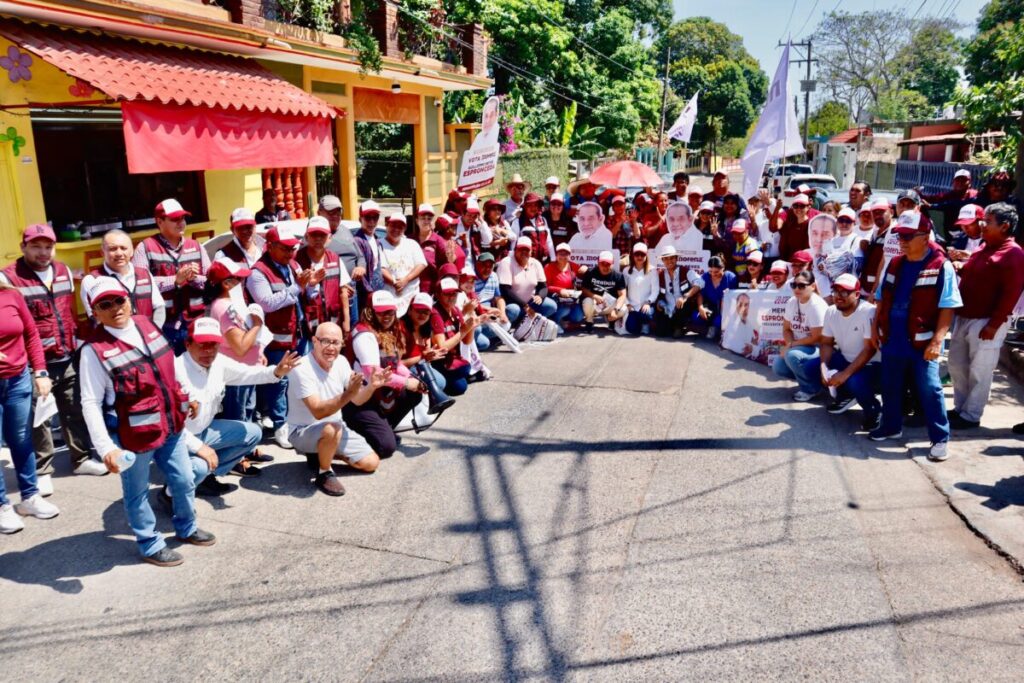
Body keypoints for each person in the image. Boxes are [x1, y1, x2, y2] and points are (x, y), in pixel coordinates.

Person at [79, 276, 210, 566]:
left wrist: (186, 396)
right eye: (105, 304)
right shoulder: (93, 351)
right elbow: (89, 402)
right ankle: (150, 543)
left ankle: (186, 527)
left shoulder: (146, 323)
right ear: (95, 312)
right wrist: (105, 449)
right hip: (132, 436)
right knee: (136, 492)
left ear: (129, 299)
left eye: (119, 300)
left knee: (184, 478)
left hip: (171, 425)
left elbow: (170, 364)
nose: (115, 308)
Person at [1, 224, 103, 492]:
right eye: (36, 246)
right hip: (34, 361)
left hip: (66, 353)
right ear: (23, 247)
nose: (43, 252)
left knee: (74, 408)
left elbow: (68, 311)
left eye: (48, 246)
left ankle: (81, 459)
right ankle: (42, 468)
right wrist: (35, 367)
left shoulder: (63, 271)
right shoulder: (9, 277)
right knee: (38, 418)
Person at [870, 211, 962, 461]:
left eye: (909, 236)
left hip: (923, 343)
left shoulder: (942, 266)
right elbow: (880, 299)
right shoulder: (895, 262)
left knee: (930, 389)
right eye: (901, 235)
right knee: (890, 386)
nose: (903, 240)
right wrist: (874, 329)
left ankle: (940, 439)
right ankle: (891, 427)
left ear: (925, 236)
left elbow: (948, 306)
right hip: (892, 338)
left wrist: (936, 341)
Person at [175, 318, 300, 495]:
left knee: (253, 433)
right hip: (179, 440)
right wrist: (198, 447)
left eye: (213, 344)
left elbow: (247, 373)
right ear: (188, 344)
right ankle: (172, 491)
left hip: (204, 431)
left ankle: (205, 476)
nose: (209, 350)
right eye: (202, 344)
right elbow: (169, 429)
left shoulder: (218, 361)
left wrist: (276, 371)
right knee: (199, 466)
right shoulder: (174, 370)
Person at [948, 203, 1024, 429]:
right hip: (964, 316)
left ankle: (971, 415)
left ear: (1004, 226)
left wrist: (994, 324)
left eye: (988, 222)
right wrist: (959, 266)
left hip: (986, 321)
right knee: (957, 364)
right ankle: (960, 408)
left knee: (979, 370)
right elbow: (975, 272)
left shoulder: (1013, 253)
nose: (982, 225)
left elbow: (1011, 293)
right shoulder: (984, 247)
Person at [286, 322, 383, 497]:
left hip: (335, 429)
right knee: (331, 428)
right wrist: (348, 394)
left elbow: (358, 400)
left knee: (371, 463)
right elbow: (318, 411)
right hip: (303, 431)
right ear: (314, 341)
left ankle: (320, 453)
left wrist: (371, 387)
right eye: (325, 341)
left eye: (336, 342)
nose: (331, 348)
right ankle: (324, 472)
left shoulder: (342, 361)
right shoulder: (301, 368)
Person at [249, 224, 323, 449]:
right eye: (285, 248)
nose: (291, 253)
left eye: (292, 248)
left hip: (298, 333)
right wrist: (296, 288)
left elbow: (306, 295)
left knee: (300, 379)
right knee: (278, 382)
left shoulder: (293, 264)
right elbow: (267, 304)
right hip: (276, 338)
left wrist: (312, 285)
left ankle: (297, 421)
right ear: (270, 246)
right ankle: (281, 426)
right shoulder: (257, 273)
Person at [0, 276, 58, 534]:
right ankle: (2, 506)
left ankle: (29, 497)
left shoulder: (11, 295)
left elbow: (31, 334)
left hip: (18, 379)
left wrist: (40, 372)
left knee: (21, 439)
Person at [348, 291, 428, 458]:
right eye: (381, 312)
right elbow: (373, 373)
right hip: (360, 398)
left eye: (390, 311)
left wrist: (413, 380)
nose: (387, 316)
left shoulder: (386, 331)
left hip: (377, 392)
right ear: (370, 312)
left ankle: (384, 428)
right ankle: (356, 431)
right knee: (386, 448)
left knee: (414, 393)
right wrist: (406, 383)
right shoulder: (365, 334)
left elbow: (395, 363)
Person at [132, 198, 210, 353]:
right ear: (159, 221)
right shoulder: (145, 248)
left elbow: (211, 280)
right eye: (174, 219)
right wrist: (174, 280)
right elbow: (140, 286)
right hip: (163, 325)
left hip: (196, 322)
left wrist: (195, 278)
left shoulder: (196, 246)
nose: (181, 223)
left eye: (183, 218)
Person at [204, 258, 265, 425]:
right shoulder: (224, 308)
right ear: (226, 283)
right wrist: (257, 325)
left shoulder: (233, 303)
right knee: (238, 420)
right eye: (238, 279)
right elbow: (240, 347)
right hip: (238, 374)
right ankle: (240, 451)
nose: (242, 282)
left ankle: (248, 449)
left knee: (247, 414)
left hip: (247, 370)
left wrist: (259, 354)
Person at [819, 274, 882, 427]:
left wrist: (844, 375)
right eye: (836, 291)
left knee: (853, 380)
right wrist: (823, 367)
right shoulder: (831, 311)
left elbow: (869, 350)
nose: (839, 296)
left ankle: (874, 411)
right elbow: (826, 343)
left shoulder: (868, 311)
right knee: (812, 366)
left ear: (857, 294)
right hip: (847, 358)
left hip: (874, 365)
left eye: (845, 292)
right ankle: (846, 396)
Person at [81, 230, 164, 328]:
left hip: (147, 336)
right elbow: (96, 319)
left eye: (124, 248)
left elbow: (159, 307)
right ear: (102, 252)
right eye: (113, 249)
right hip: (114, 341)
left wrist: (153, 332)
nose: (119, 253)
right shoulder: (91, 280)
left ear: (132, 251)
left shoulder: (144, 273)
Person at [772, 271, 827, 401]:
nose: (797, 289)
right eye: (794, 285)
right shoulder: (792, 302)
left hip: (820, 349)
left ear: (813, 286)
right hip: (801, 347)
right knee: (778, 366)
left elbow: (817, 337)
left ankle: (811, 389)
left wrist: (791, 346)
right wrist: (790, 344)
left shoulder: (816, 305)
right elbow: (786, 329)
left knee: (792, 356)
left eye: (802, 286)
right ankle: (814, 380)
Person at [298, 216, 351, 337]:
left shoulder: (335, 259)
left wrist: (346, 321)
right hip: (306, 327)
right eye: (314, 235)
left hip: (332, 323)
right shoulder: (296, 260)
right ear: (306, 237)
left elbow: (343, 292)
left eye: (322, 235)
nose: (318, 239)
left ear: (330, 238)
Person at [322, 194, 366, 329]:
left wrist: (361, 267)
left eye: (338, 211)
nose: (335, 215)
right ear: (319, 213)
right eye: (330, 212)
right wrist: (338, 285)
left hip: (352, 289)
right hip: (332, 293)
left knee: (352, 328)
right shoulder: (316, 236)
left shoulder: (345, 230)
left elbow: (360, 256)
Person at [431, 278, 477, 395]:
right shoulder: (435, 313)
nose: (452, 297)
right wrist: (463, 331)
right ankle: (436, 383)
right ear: (437, 294)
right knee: (461, 379)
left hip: (452, 359)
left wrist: (472, 325)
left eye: (454, 293)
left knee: (461, 383)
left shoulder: (455, 310)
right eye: (447, 294)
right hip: (439, 362)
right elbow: (442, 348)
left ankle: (444, 382)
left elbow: (467, 341)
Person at [497, 236, 557, 325]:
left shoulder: (536, 263)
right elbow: (505, 290)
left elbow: (543, 286)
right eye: (521, 249)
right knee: (513, 310)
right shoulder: (506, 262)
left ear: (531, 252)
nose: (524, 252)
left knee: (551, 306)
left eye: (527, 250)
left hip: (530, 303)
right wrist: (525, 305)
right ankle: (513, 325)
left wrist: (540, 296)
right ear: (515, 250)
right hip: (513, 303)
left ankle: (530, 323)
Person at [378, 213, 427, 318]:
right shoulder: (379, 244)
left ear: (404, 228)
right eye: (393, 225)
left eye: (400, 227)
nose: (396, 229)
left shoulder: (412, 244)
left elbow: (421, 264)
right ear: (387, 225)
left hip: (411, 298)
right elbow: (381, 269)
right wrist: (395, 282)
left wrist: (406, 280)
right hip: (389, 300)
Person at [655, 246, 702, 337]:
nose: (669, 261)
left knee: (683, 308)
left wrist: (686, 296)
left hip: (682, 307)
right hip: (667, 308)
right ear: (663, 261)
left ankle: (680, 327)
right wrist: (658, 302)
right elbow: (658, 292)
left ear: (677, 258)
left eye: (672, 258)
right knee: (660, 333)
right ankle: (674, 326)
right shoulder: (660, 274)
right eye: (666, 259)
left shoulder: (686, 271)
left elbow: (700, 282)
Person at [860, 199, 899, 299]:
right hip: (865, 289)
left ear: (891, 212)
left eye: (881, 212)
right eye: (874, 213)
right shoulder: (874, 231)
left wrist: (875, 292)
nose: (877, 216)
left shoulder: (895, 233)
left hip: (879, 293)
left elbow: (885, 265)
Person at [352, 200, 387, 311]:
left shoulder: (376, 239)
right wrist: (370, 293)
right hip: (366, 296)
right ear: (360, 219)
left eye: (375, 218)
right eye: (367, 218)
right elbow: (361, 272)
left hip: (377, 291)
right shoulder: (358, 241)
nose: (371, 222)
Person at [580, 251, 627, 333]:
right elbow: (584, 289)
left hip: (609, 304)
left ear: (612, 263)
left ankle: (611, 319)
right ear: (598, 263)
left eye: (608, 264)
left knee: (623, 308)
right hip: (594, 304)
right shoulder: (590, 272)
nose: (605, 267)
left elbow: (622, 295)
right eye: (602, 264)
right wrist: (594, 296)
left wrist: (616, 310)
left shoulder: (618, 275)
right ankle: (589, 321)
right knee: (587, 301)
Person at [472, 253, 512, 348]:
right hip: (475, 312)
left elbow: (499, 298)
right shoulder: (471, 277)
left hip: (490, 311)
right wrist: (488, 309)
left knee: (513, 310)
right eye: (484, 265)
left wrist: (502, 313)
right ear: (477, 264)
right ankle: (491, 336)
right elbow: (469, 302)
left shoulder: (494, 276)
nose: (487, 269)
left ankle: (493, 335)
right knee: (484, 344)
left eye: (490, 266)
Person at [695, 256, 738, 339]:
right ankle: (707, 328)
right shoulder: (706, 276)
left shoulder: (731, 277)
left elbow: (735, 297)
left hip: (725, 308)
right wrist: (701, 308)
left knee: (719, 321)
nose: (713, 274)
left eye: (716, 272)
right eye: (710, 271)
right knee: (696, 317)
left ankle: (716, 328)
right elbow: (700, 294)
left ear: (723, 268)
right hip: (710, 306)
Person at [544, 243, 584, 331]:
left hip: (570, 299)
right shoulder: (549, 267)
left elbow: (584, 274)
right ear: (556, 254)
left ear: (570, 255)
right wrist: (560, 290)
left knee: (578, 317)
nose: (563, 256)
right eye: (560, 253)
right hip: (555, 298)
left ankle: (565, 321)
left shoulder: (573, 266)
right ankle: (554, 322)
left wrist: (585, 268)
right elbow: (545, 286)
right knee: (565, 310)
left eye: (565, 254)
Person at [622, 243, 658, 335]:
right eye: (637, 254)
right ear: (633, 255)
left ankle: (645, 323)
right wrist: (627, 304)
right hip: (632, 307)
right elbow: (622, 290)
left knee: (646, 314)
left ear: (646, 255)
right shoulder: (626, 270)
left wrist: (648, 302)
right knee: (632, 329)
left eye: (642, 254)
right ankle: (638, 322)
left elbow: (655, 290)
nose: (639, 257)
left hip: (646, 306)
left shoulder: (652, 270)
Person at [774, 194, 818, 261]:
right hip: (791, 263)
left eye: (802, 206)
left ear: (808, 207)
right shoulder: (790, 225)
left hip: (804, 264)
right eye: (795, 206)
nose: (798, 209)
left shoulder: (811, 225)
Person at [517, 193, 556, 264]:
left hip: (544, 261)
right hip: (526, 262)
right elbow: (514, 244)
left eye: (535, 205)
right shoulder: (518, 221)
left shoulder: (543, 220)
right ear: (525, 207)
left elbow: (548, 240)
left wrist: (553, 259)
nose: (533, 208)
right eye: (530, 205)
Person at [947, 204, 985, 269]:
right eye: (962, 224)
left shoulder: (991, 240)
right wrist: (953, 259)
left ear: (980, 222)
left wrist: (972, 256)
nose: (965, 228)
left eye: (969, 224)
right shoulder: (958, 239)